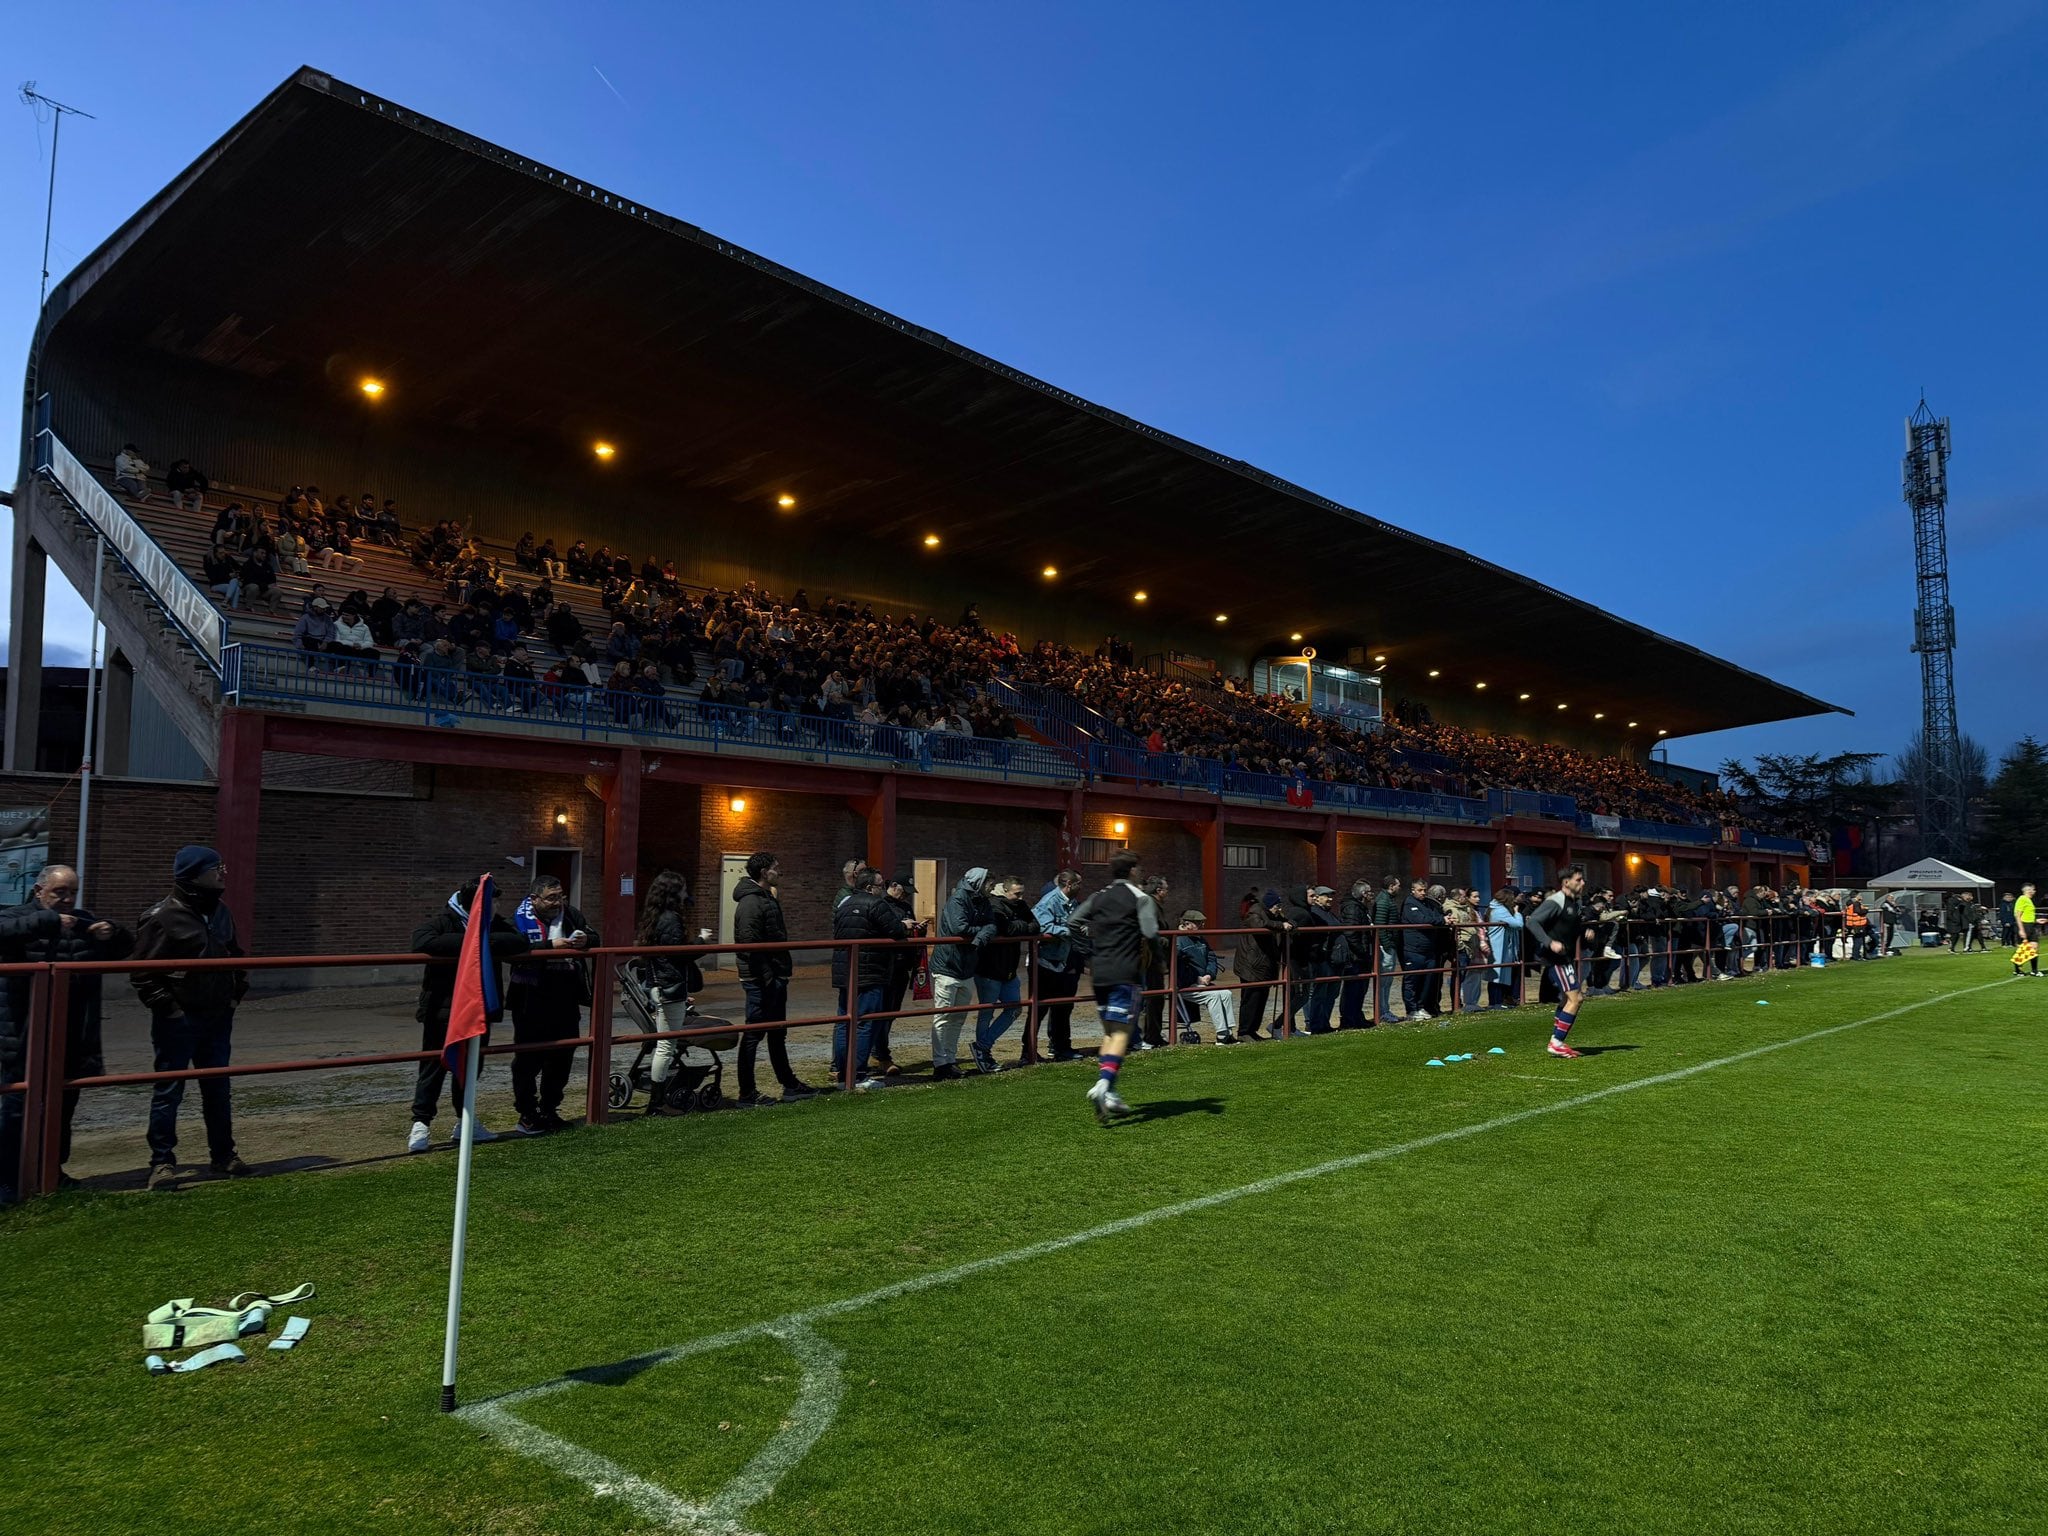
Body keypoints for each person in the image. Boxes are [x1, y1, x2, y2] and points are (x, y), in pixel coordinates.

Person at [6, 865, 134, 1193]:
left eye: (71, 892)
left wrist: (113, 932)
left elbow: (125, 949)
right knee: (19, 1105)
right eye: (59, 892)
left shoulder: (81, 922)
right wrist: (48, 921)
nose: (66, 899)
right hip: (23, 1031)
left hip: (71, 1032)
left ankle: (53, 1172)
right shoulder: (18, 915)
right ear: (38, 891)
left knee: (63, 1105)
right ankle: (10, 1178)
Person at [131, 847, 251, 1187]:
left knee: (218, 1088)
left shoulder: (222, 913)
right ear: (195, 873)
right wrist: (170, 1009)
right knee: (169, 1090)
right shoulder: (161, 916)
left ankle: (224, 1154)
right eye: (216, 868)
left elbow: (235, 955)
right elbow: (141, 972)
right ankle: (162, 1161)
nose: (222, 874)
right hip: (179, 1019)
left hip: (217, 1016)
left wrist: (234, 996)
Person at [407, 880, 534, 1153]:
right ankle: (421, 1123)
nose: (498, 908)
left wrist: (482, 939)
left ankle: (464, 1120)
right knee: (433, 1065)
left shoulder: (493, 922)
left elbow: (518, 941)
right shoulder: (445, 920)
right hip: (444, 1009)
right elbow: (422, 941)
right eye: (493, 902)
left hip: (479, 1009)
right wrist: (476, 943)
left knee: (470, 1067)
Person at [1071, 851, 1158, 1123]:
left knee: (1109, 1033)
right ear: (1132, 870)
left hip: (1100, 971)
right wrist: (1157, 961)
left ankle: (1108, 1091)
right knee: (1122, 1033)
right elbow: (1150, 931)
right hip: (1125, 971)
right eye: (1139, 869)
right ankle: (1103, 1085)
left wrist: (1089, 947)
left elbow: (1073, 922)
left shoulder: (1099, 896)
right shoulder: (1140, 897)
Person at [505, 876, 596, 1135]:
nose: (558, 902)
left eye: (561, 896)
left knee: (562, 1057)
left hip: (565, 998)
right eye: (551, 898)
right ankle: (527, 1113)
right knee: (527, 1059)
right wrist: (549, 946)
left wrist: (585, 941)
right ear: (534, 899)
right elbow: (509, 949)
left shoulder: (571, 916)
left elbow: (595, 937)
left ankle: (550, 1109)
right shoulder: (516, 920)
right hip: (530, 999)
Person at [731, 852, 815, 1103]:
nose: (779, 872)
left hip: (772, 975)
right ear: (764, 872)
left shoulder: (764, 898)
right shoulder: (752, 902)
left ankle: (788, 1083)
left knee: (777, 1031)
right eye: (776, 868)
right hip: (761, 979)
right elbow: (748, 942)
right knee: (755, 1033)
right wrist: (768, 977)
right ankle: (747, 1092)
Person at [635, 869, 710, 1113]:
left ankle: (657, 1100)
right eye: (684, 889)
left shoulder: (656, 917)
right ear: (674, 892)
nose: (687, 893)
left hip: (663, 985)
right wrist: (701, 941)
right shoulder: (670, 919)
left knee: (664, 1044)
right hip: (669, 987)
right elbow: (680, 955)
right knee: (666, 1045)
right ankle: (656, 1102)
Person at [829, 866, 910, 1087]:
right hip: (870, 971)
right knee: (865, 1023)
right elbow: (896, 931)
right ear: (869, 887)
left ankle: (843, 1072)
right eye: (880, 885)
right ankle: (858, 1074)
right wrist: (904, 925)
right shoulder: (876, 903)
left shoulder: (844, 904)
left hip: (844, 970)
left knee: (845, 1021)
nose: (883, 889)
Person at [928, 868, 995, 1081]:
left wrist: (983, 932)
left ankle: (950, 1059)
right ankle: (940, 1063)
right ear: (979, 883)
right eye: (989, 884)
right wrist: (983, 932)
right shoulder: (958, 899)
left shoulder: (983, 901)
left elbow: (992, 924)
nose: (992, 888)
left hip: (966, 967)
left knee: (957, 1018)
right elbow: (959, 927)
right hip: (948, 966)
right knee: (943, 1017)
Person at [1525, 864, 1592, 1060]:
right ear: (1566, 882)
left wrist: (1583, 932)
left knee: (1566, 999)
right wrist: (1549, 942)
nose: (1582, 883)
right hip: (1556, 959)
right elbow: (1532, 922)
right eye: (1578, 879)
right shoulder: (1556, 901)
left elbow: (1568, 926)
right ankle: (1556, 1042)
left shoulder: (1574, 902)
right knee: (1576, 999)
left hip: (1565, 957)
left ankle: (1557, 1039)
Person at [972, 876, 1039, 1072]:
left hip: (1008, 970)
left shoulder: (1021, 905)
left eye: (1022, 893)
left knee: (1014, 1008)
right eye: (1017, 893)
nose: (1020, 897)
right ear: (1006, 891)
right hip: (989, 969)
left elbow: (1035, 925)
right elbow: (1006, 928)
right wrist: (1021, 927)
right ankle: (983, 1053)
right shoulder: (993, 905)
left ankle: (982, 1047)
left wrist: (1018, 926)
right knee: (987, 1012)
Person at [1032, 870, 1086, 1061]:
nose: (1082, 886)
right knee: (1040, 1008)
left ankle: (1062, 1047)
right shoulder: (1049, 901)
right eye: (1079, 883)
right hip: (1046, 963)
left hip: (1066, 961)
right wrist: (1069, 931)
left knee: (1064, 1006)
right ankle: (1029, 1050)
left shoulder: (1072, 903)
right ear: (1069, 884)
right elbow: (1043, 926)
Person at [1231, 890, 1288, 1040]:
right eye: (1277, 906)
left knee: (1261, 999)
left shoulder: (1271, 915)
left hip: (1263, 965)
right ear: (1269, 905)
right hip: (1251, 965)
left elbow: (1288, 923)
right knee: (1251, 999)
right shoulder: (1254, 913)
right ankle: (1244, 1032)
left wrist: (1284, 922)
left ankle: (1252, 1031)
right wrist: (1281, 925)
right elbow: (1261, 927)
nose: (1279, 909)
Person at [1173, 910, 1236, 1044]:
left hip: (1202, 982)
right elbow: (1178, 969)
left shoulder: (1200, 939)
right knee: (1214, 996)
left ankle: (1228, 1032)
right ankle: (1221, 1035)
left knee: (1226, 994)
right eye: (1198, 923)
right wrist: (1196, 979)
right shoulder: (1178, 941)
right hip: (1186, 985)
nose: (1202, 925)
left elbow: (1211, 957)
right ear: (1186, 924)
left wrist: (1209, 975)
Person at [1398, 878, 1444, 1020]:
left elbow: (1434, 916)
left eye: (1424, 890)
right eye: (1420, 890)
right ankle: (1411, 1010)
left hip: (1428, 949)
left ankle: (1421, 1006)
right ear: (1413, 890)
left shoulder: (1428, 903)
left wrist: (1441, 919)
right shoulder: (1409, 903)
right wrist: (1442, 921)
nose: (1423, 893)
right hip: (1414, 949)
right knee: (1412, 981)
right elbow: (1421, 919)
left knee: (1427, 980)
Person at [1335, 879, 1374, 1030]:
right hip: (1355, 957)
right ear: (1363, 893)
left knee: (1360, 988)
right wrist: (1363, 952)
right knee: (1353, 988)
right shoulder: (1353, 908)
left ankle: (1356, 1016)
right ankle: (1349, 1019)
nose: (1372, 895)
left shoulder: (1361, 907)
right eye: (1370, 892)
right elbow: (1350, 932)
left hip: (1361, 955)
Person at [1371, 874, 1404, 1024]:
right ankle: (1383, 1011)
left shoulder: (1386, 900)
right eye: (1398, 885)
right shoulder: (1384, 901)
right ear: (1391, 886)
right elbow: (1381, 925)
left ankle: (1385, 1010)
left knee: (1387, 981)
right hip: (1386, 946)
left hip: (1388, 944)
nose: (1399, 888)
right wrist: (1387, 944)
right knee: (1384, 980)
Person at [1485, 886, 1524, 1008]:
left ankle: (1498, 1002)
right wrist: (1517, 913)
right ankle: (1495, 1003)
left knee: (1499, 975)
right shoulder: (1500, 910)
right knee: (1497, 976)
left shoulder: (1494, 907)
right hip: (1498, 946)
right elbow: (1518, 924)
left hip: (1500, 946)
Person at [2013, 883, 2039, 978]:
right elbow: (2017, 916)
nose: (2034, 891)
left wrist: (2036, 920)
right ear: (2028, 890)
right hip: (2024, 926)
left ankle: (2034, 970)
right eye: (2033, 889)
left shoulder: (2029, 900)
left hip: (2031, 926)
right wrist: (2021, 930)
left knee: (2034, 948)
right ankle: (2018, 970)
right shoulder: (2022, 899)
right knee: (2022, 949)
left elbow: (2028, 915)